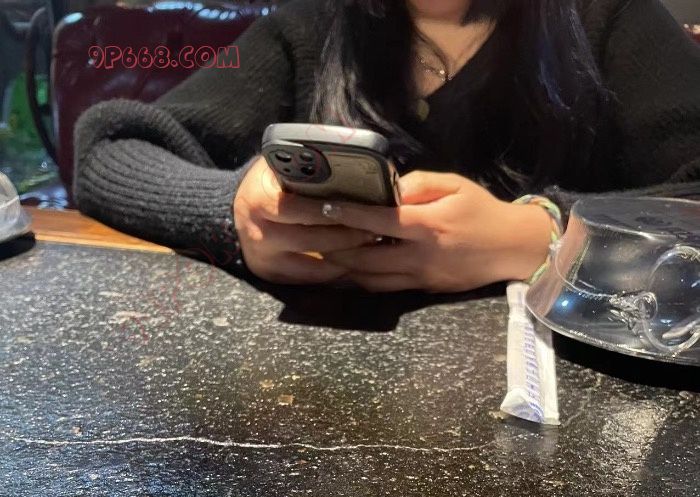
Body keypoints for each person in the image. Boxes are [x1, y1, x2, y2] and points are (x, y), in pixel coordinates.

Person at [74, 0, 700, 293]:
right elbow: (111, 145)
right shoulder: (313, 24)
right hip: (323, 417)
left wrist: (544, 238)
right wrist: (234, 211)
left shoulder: (610, 17)